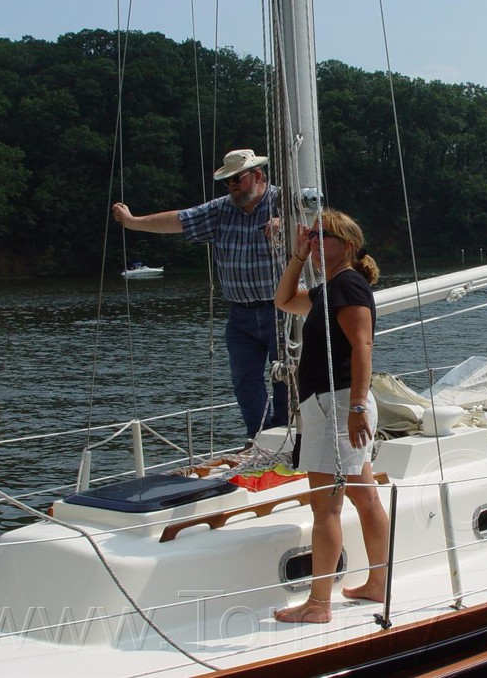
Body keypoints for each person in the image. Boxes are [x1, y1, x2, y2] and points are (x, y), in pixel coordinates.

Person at [111, 148, 287, 439]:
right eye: (227, 181)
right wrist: (133, 222)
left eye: (237, 179)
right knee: (244, 380)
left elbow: (320, 218)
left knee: (287, 376)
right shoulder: (221, 210)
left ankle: (286, 433)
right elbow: (179, 220)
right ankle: (259, 438)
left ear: (257, 176)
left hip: (281, 310)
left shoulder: (284, 202)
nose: (231, 186)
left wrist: (287, 225)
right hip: (241, 313)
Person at [272, 210, 390, 624]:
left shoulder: (348, 285)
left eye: (325, 236)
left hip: (339, 406)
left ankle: (318, 604)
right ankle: (378, 584)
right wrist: (299, 256)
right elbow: (284, 300)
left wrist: (357, 407)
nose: (317, 241)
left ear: (349, 244)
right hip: (337, 405)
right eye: (314, 235)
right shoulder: (329, 289)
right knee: (364, 494)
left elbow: (363, 347)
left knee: (326, 508)